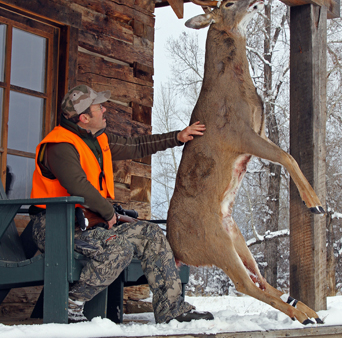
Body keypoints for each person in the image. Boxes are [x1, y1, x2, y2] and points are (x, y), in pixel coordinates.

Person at [29, 84, 214, 324]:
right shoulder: (60, 146)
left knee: (150, 233)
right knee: (120, 247)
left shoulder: (97, 140)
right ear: (84, 117)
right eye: (99, 107)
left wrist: (177, 137)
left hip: (88, 224)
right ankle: (71, 303)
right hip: (54, 227)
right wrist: (108, 213)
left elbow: (137, 145)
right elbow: (78, 186)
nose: (104, 109)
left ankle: (172, 309)